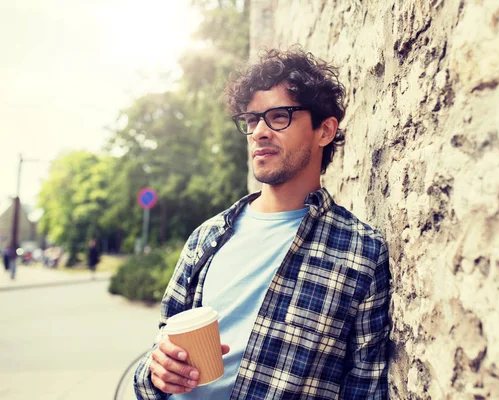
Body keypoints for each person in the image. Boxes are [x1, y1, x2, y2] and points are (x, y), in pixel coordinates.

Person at [134, 47, 391, 400]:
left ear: (325, 130)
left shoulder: (361, 252)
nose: (259, 132)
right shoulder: (206, 237)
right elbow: (155, 360)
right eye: (252, 120)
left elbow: (364, 388)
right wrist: (157, 371)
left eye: (279, 116)